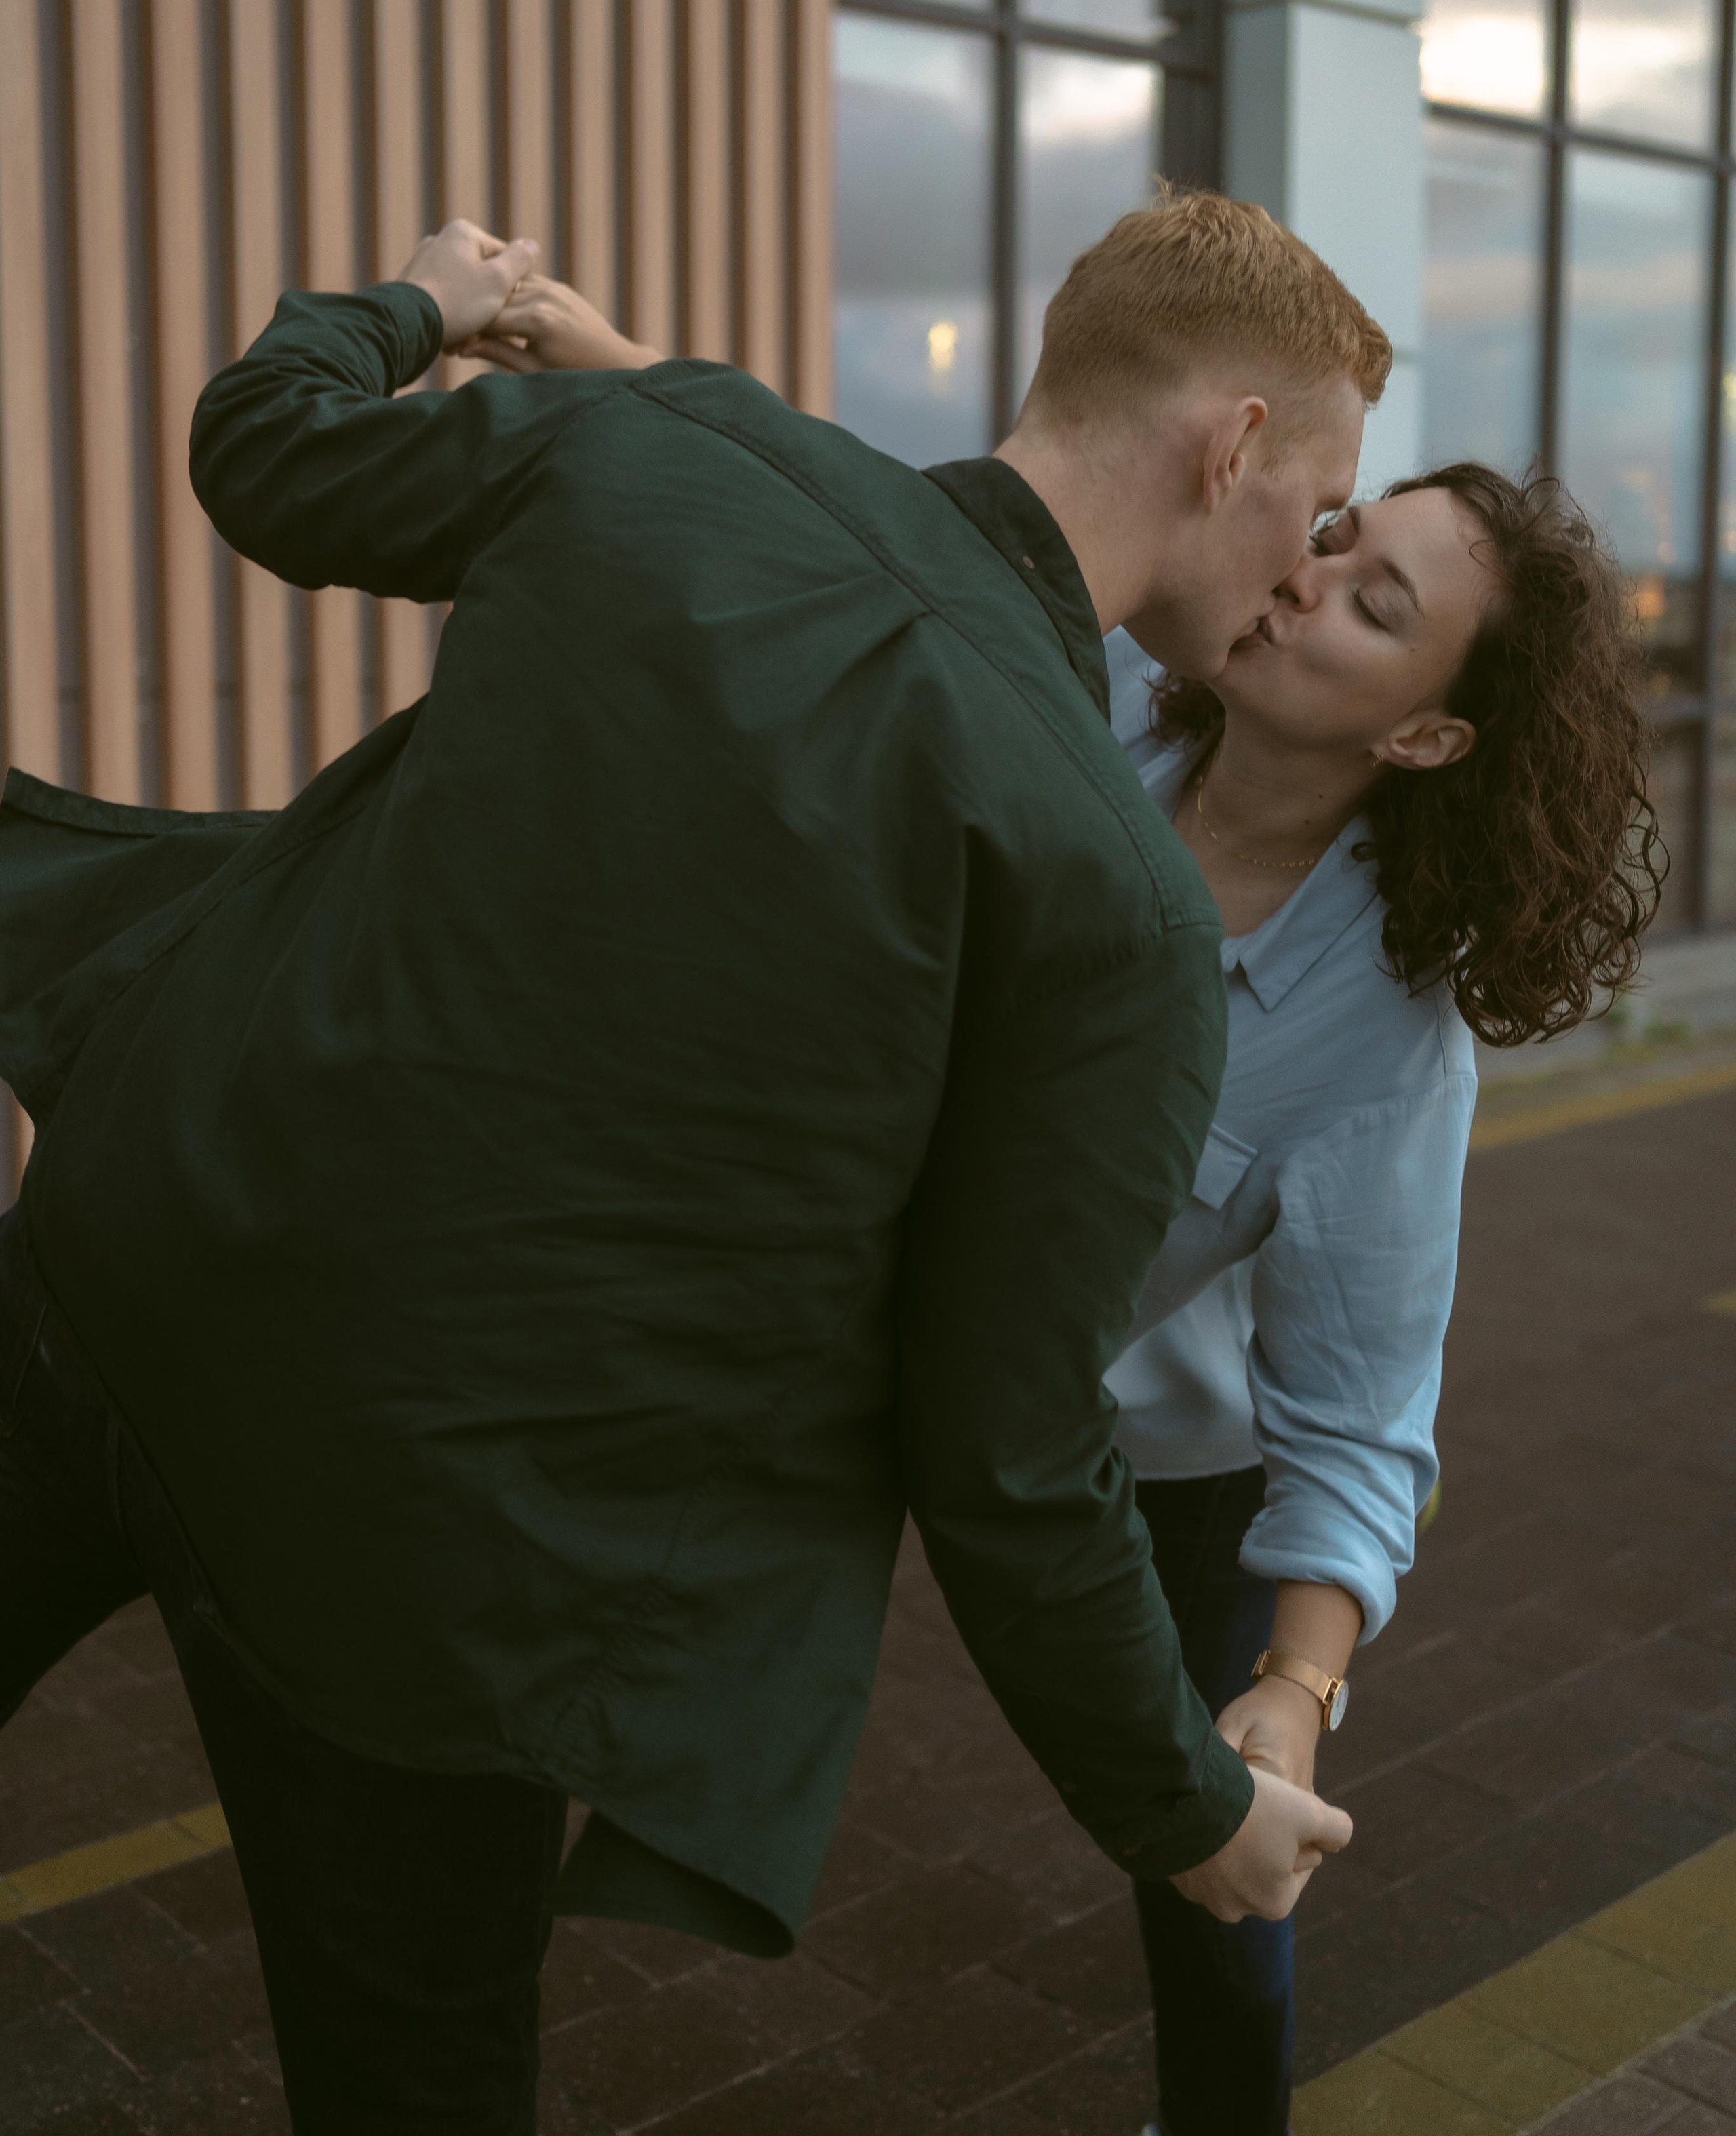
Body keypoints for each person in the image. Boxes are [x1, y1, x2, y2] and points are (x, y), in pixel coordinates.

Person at [0, 193, 1376, 2132]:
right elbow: (1001, 1447)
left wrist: (424, 300)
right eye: (1318, 508)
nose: (1300, 570)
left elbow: (265, 451)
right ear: (1233, 441)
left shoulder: (678, 439)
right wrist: (1188, 1810)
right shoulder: (1111, 897)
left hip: (121, 1253)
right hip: (420, 1552)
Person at [1099, 464, 1661, 2136]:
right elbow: (882, 553)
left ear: (1420, 738)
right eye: (1338, 539)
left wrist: (1295, 1693)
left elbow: (1353, 1424)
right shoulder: (1107, 696)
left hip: (1176, 1450)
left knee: (1214, 1856)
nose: (1305, 579)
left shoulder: (1382, 1049)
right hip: (895, 1363)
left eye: (1375, 603)